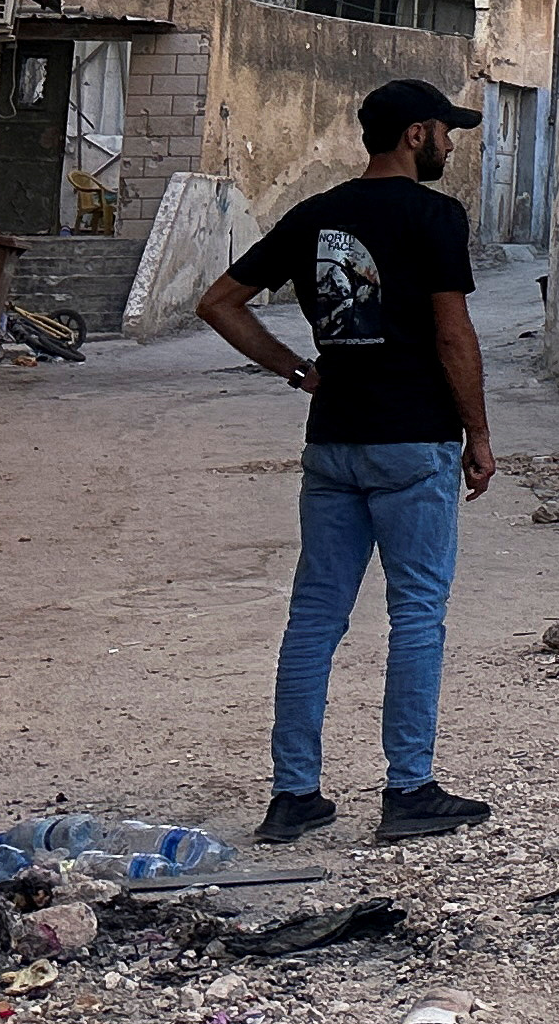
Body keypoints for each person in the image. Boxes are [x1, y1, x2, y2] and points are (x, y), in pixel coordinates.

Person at [197, 80, 498, 848]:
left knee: (314, 620)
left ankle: (294, 796)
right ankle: (409, 790)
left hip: (332, 442)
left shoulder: (313, 215)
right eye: (446, 134)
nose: (451, 147)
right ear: (416, 134)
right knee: (418, 614)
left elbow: (220, 302)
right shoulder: (435, 215)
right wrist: (479, 436)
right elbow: (454, 336)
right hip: (412, 441)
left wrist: (299, 371)